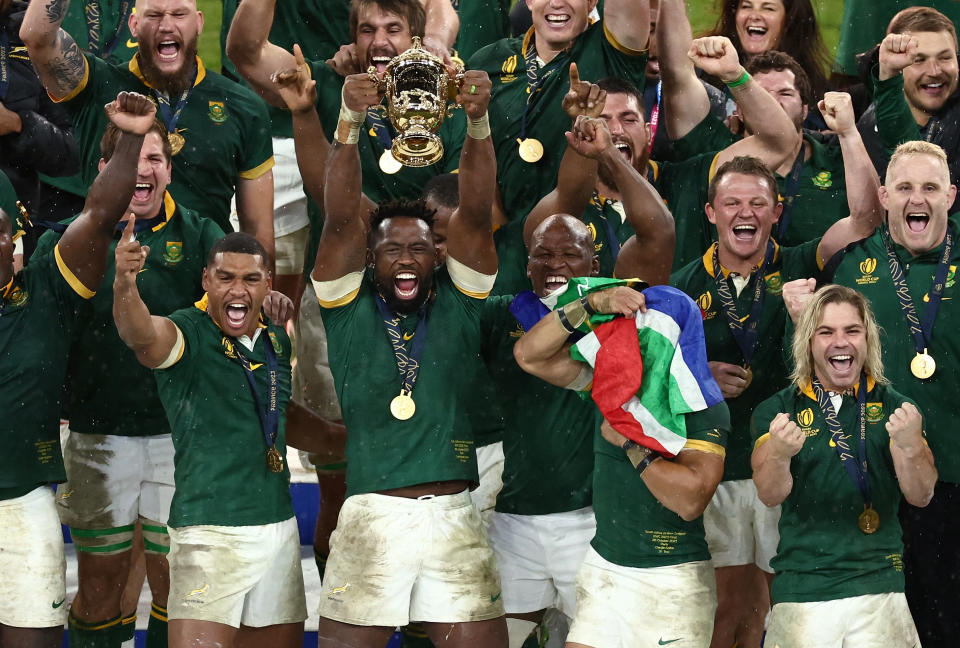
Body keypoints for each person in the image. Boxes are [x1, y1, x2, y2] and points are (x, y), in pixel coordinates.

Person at [305, 45, 506, 643]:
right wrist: (346, 121)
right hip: (373, 515)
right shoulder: (347, 304)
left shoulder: (460, 301)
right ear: (371, 259)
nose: (407, 259)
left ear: (436, 255)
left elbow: (475, 210)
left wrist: (477, 123)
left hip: (454, 518)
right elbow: (340, 216)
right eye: (392, 249)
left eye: (419, 247)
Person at [669, 85, 883, 648]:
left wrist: (848, 133)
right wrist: (699, 376)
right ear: (711, 211)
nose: (746, 213)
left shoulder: (800, 266)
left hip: (780, 464)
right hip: (712, 466)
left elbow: (863, 219)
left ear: (776, 210)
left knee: (771, 606)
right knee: (722, 608)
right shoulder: (683, 286)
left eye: (758, 203)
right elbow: (654, 381)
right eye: (733, 203)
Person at [31, 113, 225, 648]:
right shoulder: (70, 242)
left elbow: (231, 309)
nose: (144, 169)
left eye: (156, 159)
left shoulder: (204, 234)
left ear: (170, 170)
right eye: (132, 158)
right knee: (97, 587)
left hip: (176, 435)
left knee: (175, 587)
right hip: (96, 434)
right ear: (105, 169)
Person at [783, 139, 960, 648]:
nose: (916, 199)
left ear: (951, 194)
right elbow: (818, 370)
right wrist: (803, 324)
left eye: (930, 187)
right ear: (883, 196)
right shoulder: (846, 267)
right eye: (904, 187)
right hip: (871, 481)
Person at [0, 90, 156, 648]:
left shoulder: (45, 290)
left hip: (19, 504)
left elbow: (98, 214)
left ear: (14, 239)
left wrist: (133, 137)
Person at [512, 279, 732, 648]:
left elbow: (690, 501)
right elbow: (530, 355)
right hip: (606, 570)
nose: (638, 341)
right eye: (632, 331)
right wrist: (592, 303)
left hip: (673, 580)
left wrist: (633, 445)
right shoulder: (610, 386)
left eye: (650, 335)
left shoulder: (704, 408)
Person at [112, 229, 304, 648]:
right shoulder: (188, 333)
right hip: (208, 532)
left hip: (278, 527)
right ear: (205, 281)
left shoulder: (275, 339)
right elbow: (140, 334)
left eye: (251, 279)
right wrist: (125, 283)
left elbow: (282, 417)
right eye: (225, 278)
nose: (238, 289)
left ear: (268, 283)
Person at [751, 284, 935, 647]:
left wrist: (912, 444)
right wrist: (778, 453)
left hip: (879, 586)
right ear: (807, 341)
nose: (841, 342)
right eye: (826, 332)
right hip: (803, 589)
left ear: (868, 340)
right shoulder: (776, 411)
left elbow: (922, 495)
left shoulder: (897, 408)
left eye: (852, 330)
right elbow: (770, 494)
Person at [20, 0, 276, 258]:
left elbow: (258, 232)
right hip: (105, 274)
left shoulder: (243, 107)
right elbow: (37, 36)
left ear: (199, 22)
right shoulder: (95, 87)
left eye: (179, 14)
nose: (166, 26)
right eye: (153, 15)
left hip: (201, 284)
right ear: (134, 25)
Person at [228, 0, 464, 209]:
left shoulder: (445, 105)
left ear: (416, 40)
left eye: (393, 29)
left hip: (421, 253)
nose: (379, 42)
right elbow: (249, 52)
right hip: (343, 253)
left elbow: (459, 208)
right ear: (353, 41)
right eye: (367, 31)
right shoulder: (323, 85)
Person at [659, 0, 853, 248]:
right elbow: (677, 74)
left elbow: (868, 219)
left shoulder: (835, 157)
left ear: (806, 109)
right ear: (739, 107)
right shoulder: (716, 149)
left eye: (784, 93)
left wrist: (849, 134)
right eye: (762, 93)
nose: (771, 101)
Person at [467, 0, 649, 228]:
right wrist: (502, 239)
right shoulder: (487, 62)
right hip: (506, 236)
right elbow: (476, 157)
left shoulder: (611, 51)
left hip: (593, 236)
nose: (556, 3)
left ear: (592, 2)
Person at [858, 7, 960, 215]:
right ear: (895, 65)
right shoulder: (867, 129)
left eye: (944, 58)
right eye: (918, 60)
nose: (934, 71)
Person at [704, 0, 830, 114]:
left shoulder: (813, 92)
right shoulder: (707, 70)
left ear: (789, 21)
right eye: (746, 6)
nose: (754, 15)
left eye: (768, 8)